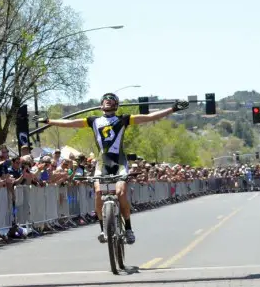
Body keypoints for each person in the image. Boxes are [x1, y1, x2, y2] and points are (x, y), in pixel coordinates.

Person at [36, 93, 189, 244]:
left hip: (119, 161)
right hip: (103, 161)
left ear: (116, 105)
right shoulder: (93, 121)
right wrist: (48, 120)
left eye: (111, 100)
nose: (108, 101)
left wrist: (173, 109)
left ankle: (128, 228)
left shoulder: (123, 119)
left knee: (121, 193)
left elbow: (149, 117)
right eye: (105, 100)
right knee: (97, 191)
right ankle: (103, 229)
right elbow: (70, 123)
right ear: (101, 104)